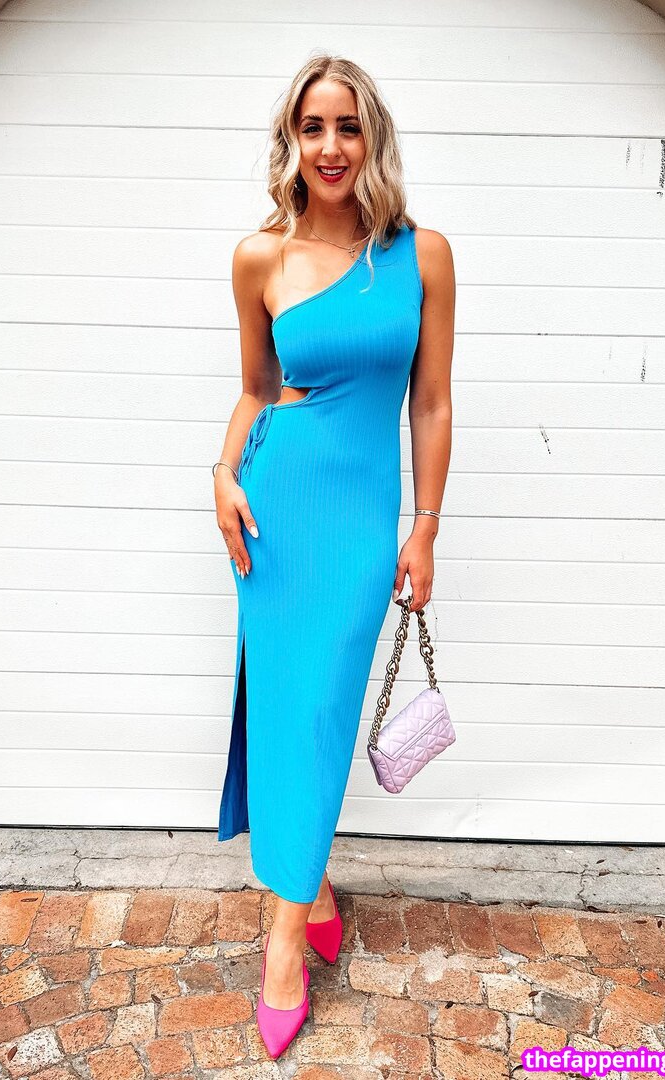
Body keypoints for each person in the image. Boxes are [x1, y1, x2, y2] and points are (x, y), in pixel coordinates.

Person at [211, 54, 454, 1059]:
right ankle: (291, 923)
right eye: (312, 127)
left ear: (371, 137)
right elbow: (255, 389)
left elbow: (430, 402)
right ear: (291, 141)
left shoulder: (421, 255)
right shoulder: (258, 258)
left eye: (347, 125)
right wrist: (221, 474)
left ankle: (295, 899)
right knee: (286, 711)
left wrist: (424, 524)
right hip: (274, 509)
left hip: (358, 523)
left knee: (321, 709)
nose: (330, 145)